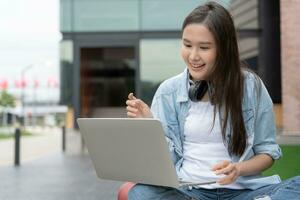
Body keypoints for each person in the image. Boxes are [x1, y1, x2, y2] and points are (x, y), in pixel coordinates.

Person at [125, 1, 300, 200]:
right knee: (140, 193)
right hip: (189, 193)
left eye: (204, 47)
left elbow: (267, 153)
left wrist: (239, 169)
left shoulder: (252, 87)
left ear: (224, 49)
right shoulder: (169, 91)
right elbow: (167, 162)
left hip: (244, 193)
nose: (193, 56)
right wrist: (150, 125)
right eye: (187, 45)